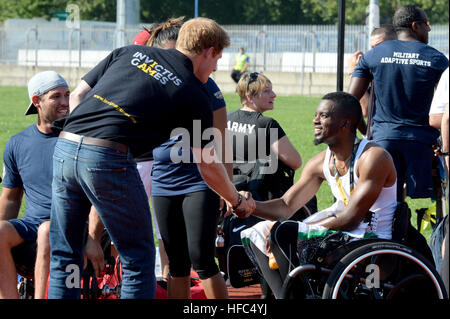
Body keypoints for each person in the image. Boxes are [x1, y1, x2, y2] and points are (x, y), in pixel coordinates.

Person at [47, 17, 254, 299]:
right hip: (108, 156)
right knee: (139, 258)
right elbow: (207, 163)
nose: (217, 67)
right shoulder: (193, 92)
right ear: (208, 51)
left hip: (65, 146)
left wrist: (89, 132)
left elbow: (80, 93)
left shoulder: (130, 52)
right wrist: (236, 199)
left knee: (65, 254)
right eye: (217, 58)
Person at [236, 92, 398, 298]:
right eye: (316, 115)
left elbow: (351, 219)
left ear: (345, 123)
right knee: (257, 232)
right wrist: (247, 205)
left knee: (283, 232)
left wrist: (303, 228)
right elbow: (286, 206)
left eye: (323, 116)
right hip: (343, 233)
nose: (315, 120)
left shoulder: (373, 158)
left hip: (371, 239)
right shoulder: (320, 162)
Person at [133, 17, 233, 299]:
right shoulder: (152, 80)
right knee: (176, 264)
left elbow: (221, 140)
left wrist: (228, 187)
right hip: (163, 180)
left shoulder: (207, 87)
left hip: (199, 181)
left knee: (201, 260)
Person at [348, 5, 449, 202]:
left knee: (387, 204)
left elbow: (348, 103)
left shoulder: (373, 55)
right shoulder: (436, 59)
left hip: (382, 141)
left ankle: (398, 231)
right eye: (426, 25)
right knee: (429, 203)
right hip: (422, 145)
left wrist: (365, 131)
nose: (428, 30)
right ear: (415, 26)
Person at [347, 25, 397, 126]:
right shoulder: (374, 68)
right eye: (372, 48)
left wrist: (354, 72)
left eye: (379, 47)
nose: (374, 52)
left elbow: (365, 110)